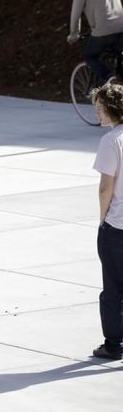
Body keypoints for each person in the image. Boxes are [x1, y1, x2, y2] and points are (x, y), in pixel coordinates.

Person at [91, 83, 123, 361]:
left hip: (118, 226)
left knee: (113, 288)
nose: (98, 113)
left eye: (100, 108)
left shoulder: (111, 141)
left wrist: (102, 221)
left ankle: (113, 344)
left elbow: (106, 188)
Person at [68, 0, 123, 82]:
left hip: (102, 32)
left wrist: (74, 34)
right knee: (119, 55)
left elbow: (76, 13)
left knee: (90, 56)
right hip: (121, 28)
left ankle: (109, 77)